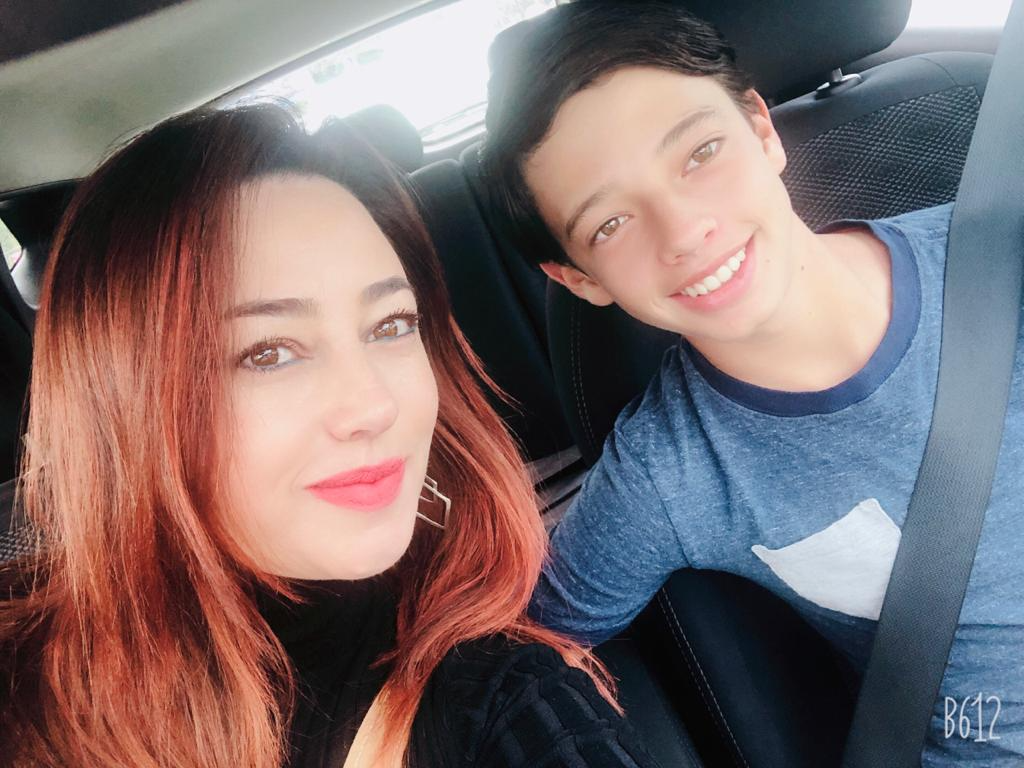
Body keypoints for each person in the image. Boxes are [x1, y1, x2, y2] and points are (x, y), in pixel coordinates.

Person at [0, 104, 661, 768]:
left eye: (390, 325)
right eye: (268, 353)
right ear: (125, 400)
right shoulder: (25, 690)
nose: (374, 405)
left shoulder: (506, 696)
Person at [481, 2, 1024, 765]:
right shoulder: (669, 472)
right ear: (579, 279)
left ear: (761, 129)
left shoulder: (1006, 251)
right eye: (610, 224)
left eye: (700, 152)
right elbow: (512, 656)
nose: (683, 232)